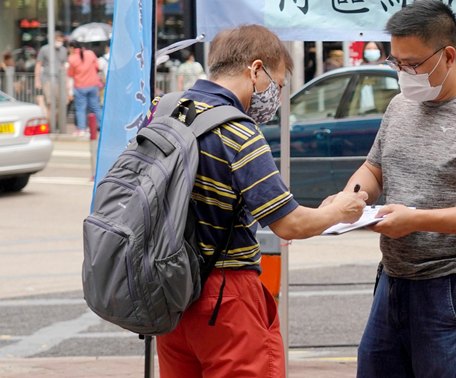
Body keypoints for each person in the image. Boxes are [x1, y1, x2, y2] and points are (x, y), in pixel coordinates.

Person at [154, 24, 368, 378]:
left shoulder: (166, 110)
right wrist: (338, 211)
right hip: (225, 296)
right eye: (278, 84)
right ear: (255, 70)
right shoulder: (238, 132)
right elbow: (290, 223)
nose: (276, 96)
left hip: (170, 293)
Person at [343, 0, 456, 378]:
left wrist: (417, 220)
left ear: (448, 56)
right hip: (391, 279)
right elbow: (374, 169)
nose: (403, 73)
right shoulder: (399, 107)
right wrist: (351, 196)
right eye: (396, 63)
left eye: (412, 64)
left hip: (450, 287)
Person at [67, 41, 104, 136]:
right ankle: (102, 126)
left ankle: (81, 129)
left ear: (72, 48)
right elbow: (97, 66)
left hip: (80, 86)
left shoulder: (72, 58)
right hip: (93, 84)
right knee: (96, 107)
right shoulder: (90, 53)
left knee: (80, 108)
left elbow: (70, 74)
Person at [36, 31, 67, 121]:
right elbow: (38, 64)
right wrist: (37, 81)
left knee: (61, 103)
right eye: (58, 40)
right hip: (47, 80)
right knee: (50, 103)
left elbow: (64, 66)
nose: (59, 42)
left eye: (61, 41)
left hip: (60, 81)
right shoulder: (44, 49)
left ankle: (57, 124)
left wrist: (67, 82)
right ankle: (50, 124)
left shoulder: (63, 50)